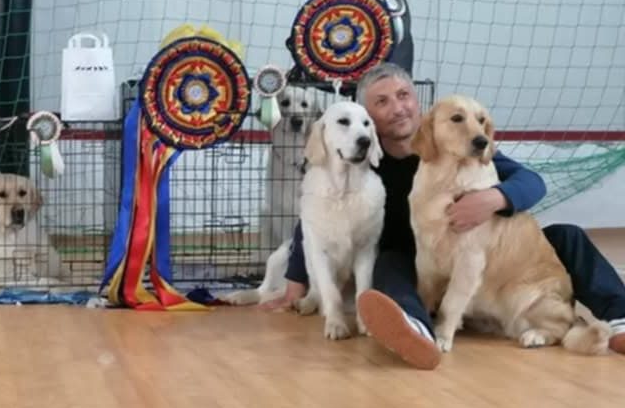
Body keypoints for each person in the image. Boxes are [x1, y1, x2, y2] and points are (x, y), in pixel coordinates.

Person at [267, 62, 625, 369]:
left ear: (417, 101)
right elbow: (316, 214)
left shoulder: (455, 141)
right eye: (382, 101)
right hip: (415, 260)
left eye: (403, 95)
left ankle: (620, 316)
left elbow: (532, 182)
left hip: (483, 252)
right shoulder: (362, 158)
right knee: (388, 264)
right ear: (368, 115)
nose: (398, 108)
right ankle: (417, 328)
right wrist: (296, 282)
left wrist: (494, 197)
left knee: (567, 235)